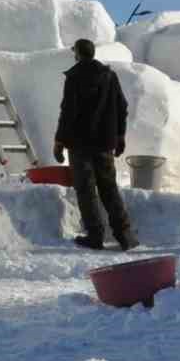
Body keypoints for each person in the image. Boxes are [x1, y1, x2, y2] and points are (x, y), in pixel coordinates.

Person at [53, 38, 137, 250]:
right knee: (109, 188)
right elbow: (122, 106)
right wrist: (120, 135)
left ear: (78, 54)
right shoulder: (109, 76)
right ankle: (125, 236)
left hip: (80, 144)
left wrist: (59, 141)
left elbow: (68, 112)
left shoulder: (73, 78)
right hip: (104, 144)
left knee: (86, 190)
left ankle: (95, 235)